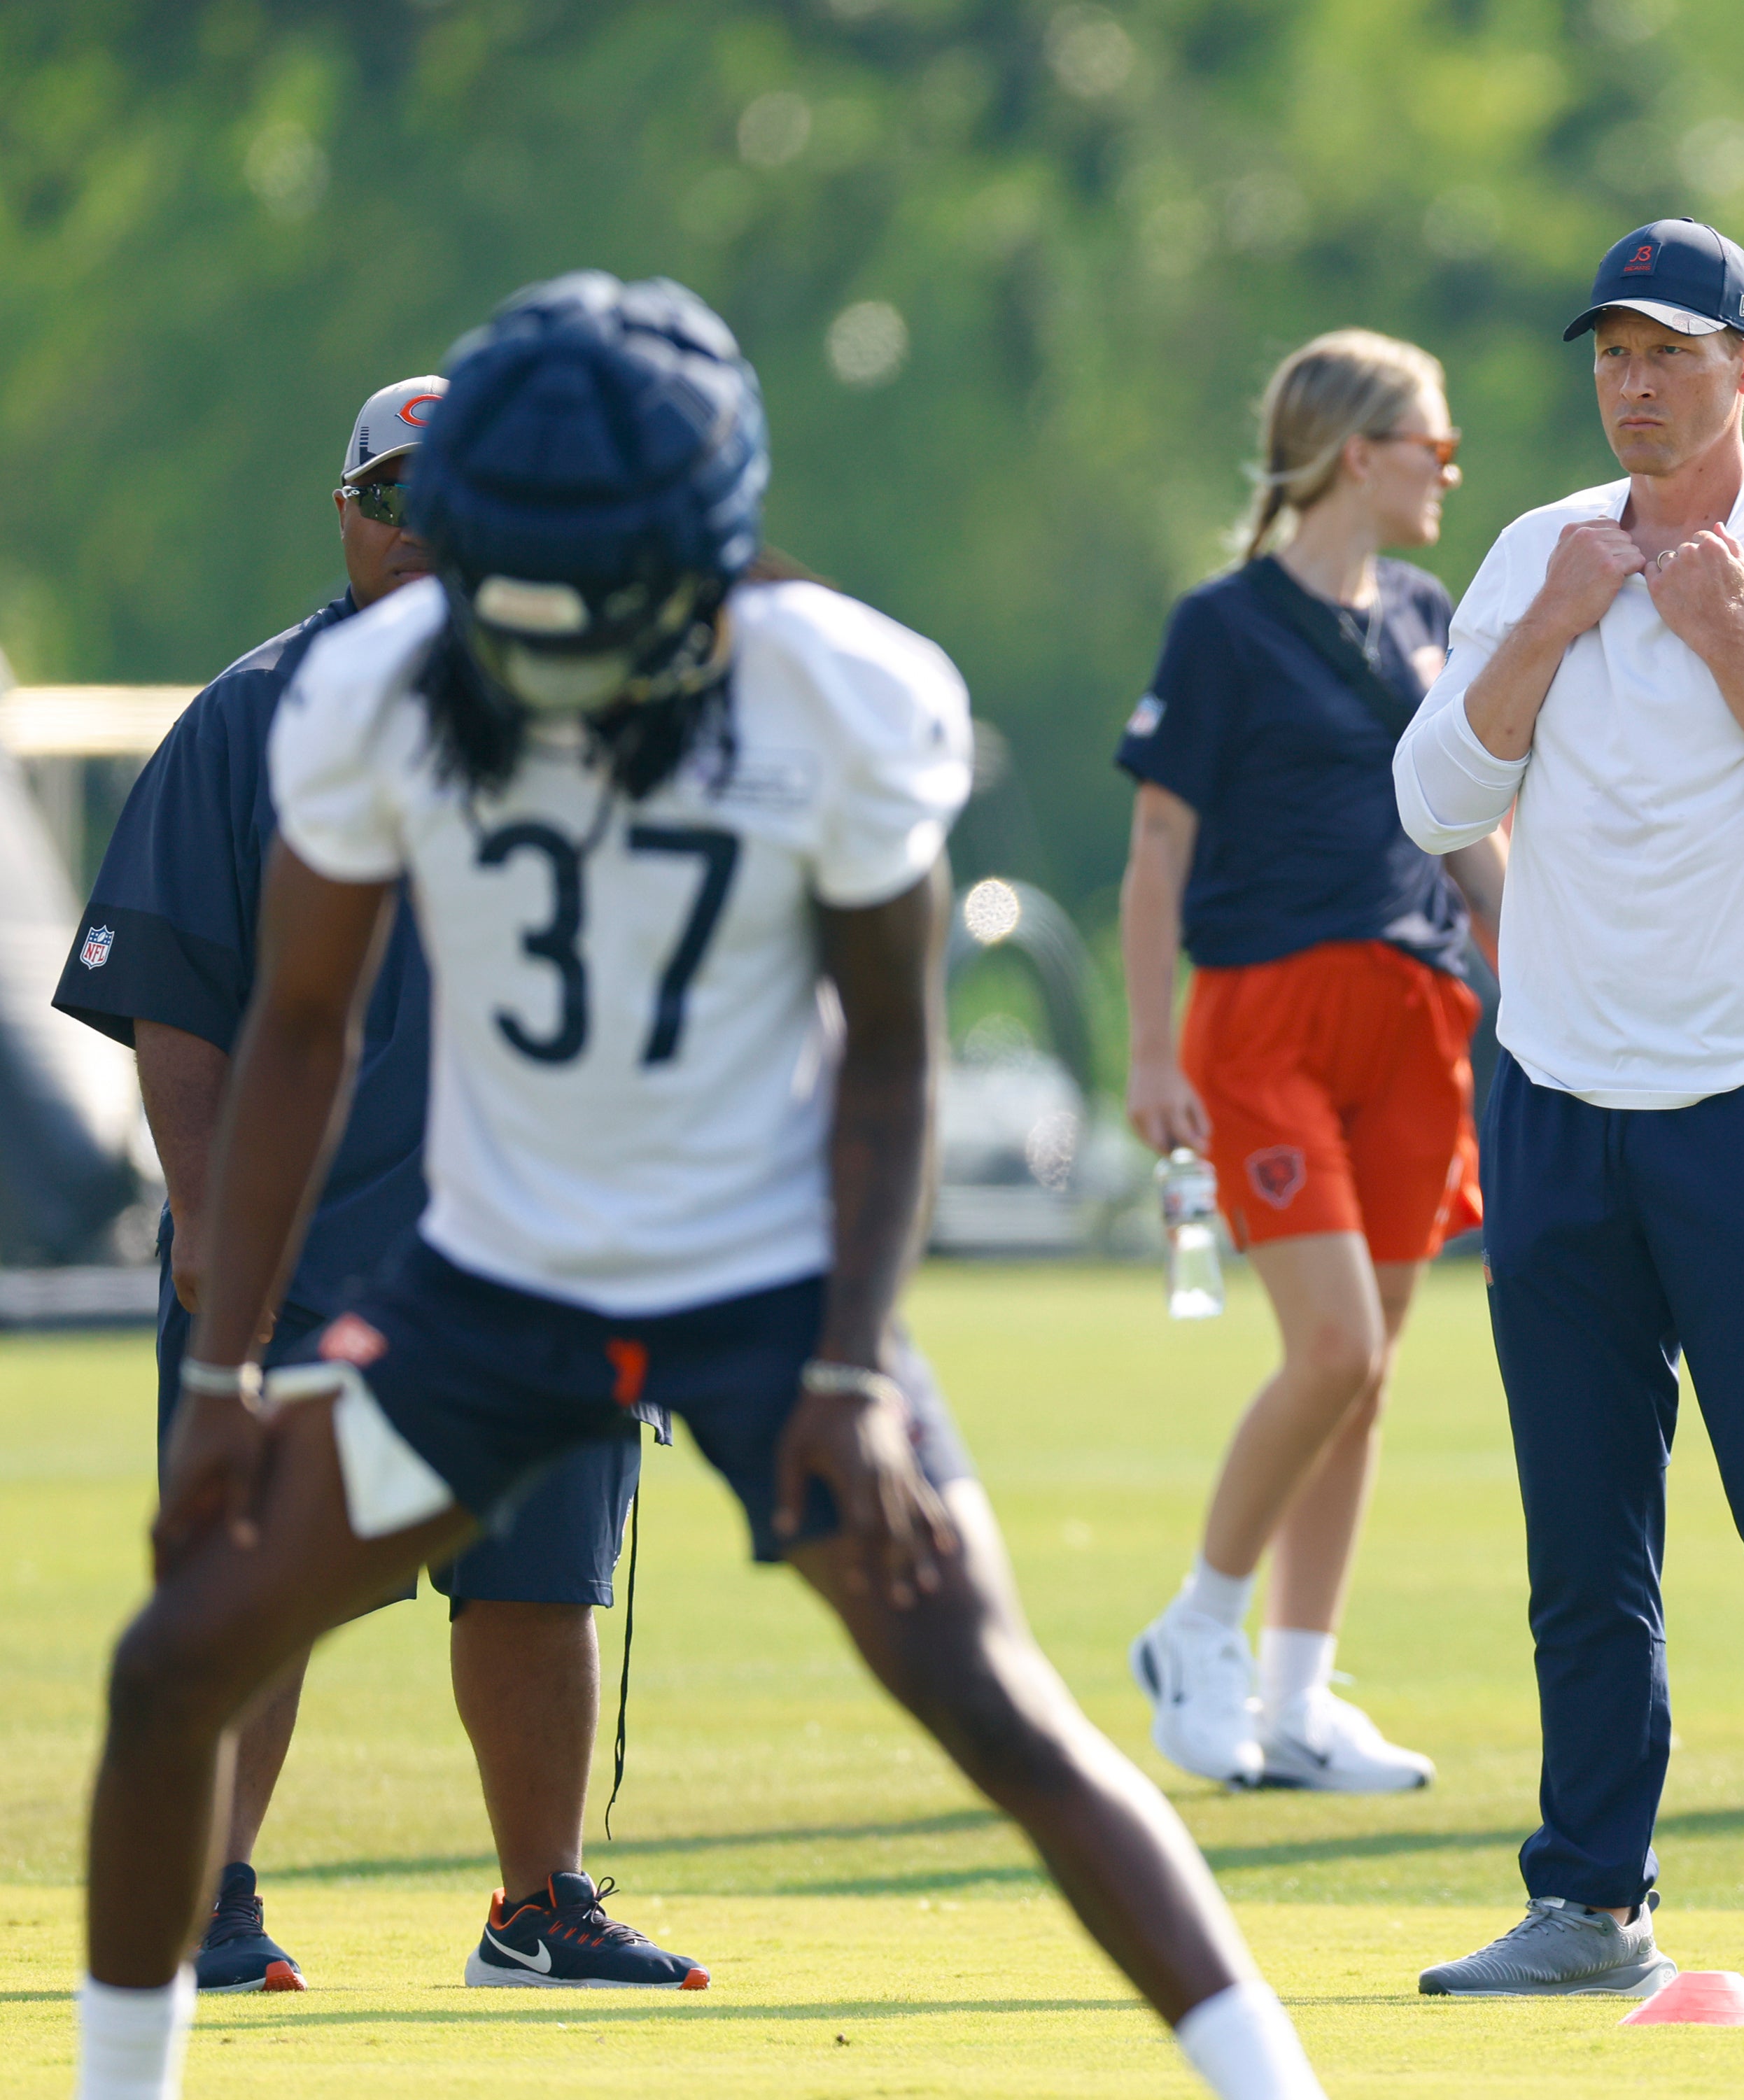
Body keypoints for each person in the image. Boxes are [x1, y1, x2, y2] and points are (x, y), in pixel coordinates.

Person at [69, 274, 1323, 2100]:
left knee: (987, 1698)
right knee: (176, 1662)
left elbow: (886, 1054)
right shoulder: (356, 695)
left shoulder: (842, 686)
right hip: (490, 1285)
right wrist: (220, 1373)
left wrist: (843, 1369)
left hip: (760, 1278)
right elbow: (301, 1035)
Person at [50, 376, 694, 1994]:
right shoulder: (251, 717)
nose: (434, 530)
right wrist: (206, 1217)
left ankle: (535, 1909)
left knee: (541, 1583)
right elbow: (175, 997)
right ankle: (203, 1903)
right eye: (402, 497)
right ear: (349, 513)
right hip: (309, 1240)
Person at [1395, 219, 1744, 2005]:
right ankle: (1587, 1902)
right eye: (1614, 356)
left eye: (1672, 354)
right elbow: (1428, 794)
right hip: (1555, 1097)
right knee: (1583, 1546)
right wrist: (1552, 623)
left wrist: (1725, 643)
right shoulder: (1534, 553)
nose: (1636, 385)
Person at [1118, 329, 1502, 1792]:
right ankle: (1198, 1630)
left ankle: (1298, 1695)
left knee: (1373, 1370)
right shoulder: (1221, 628)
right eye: (1435, 447)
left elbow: (1465, 821)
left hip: (1420, 1011)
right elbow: (1159, 850)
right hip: (1269, 1014)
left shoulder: (1425, 611)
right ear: (1362, 454)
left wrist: (1532, 964)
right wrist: (1151, 1051)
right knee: (1331, 1343)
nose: (1448, 472)